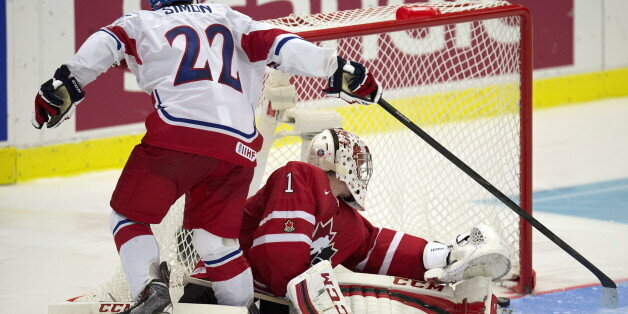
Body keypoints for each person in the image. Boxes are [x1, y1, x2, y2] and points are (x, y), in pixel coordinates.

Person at [32, 0, 381, 313]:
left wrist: (66, 81)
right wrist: (337, 68)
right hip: (240, 147)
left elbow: (105, 43)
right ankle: (242, 308)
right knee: (216, 241)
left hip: (179, 136)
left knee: (127, 218)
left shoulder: (141, 22)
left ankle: (150, 292)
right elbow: (282, 44)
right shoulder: (231, 18)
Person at [184, 128, 512, 313]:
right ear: (341, 163)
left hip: (272, 303)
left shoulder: (346, 220)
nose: (362, 172)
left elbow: (376, 247)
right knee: (353, 296)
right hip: (215, 296)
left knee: (376, 294)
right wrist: (314, 299)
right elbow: (277, 256)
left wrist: (442, 256)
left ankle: (462, 301)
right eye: (358, 163)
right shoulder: (297, 176)